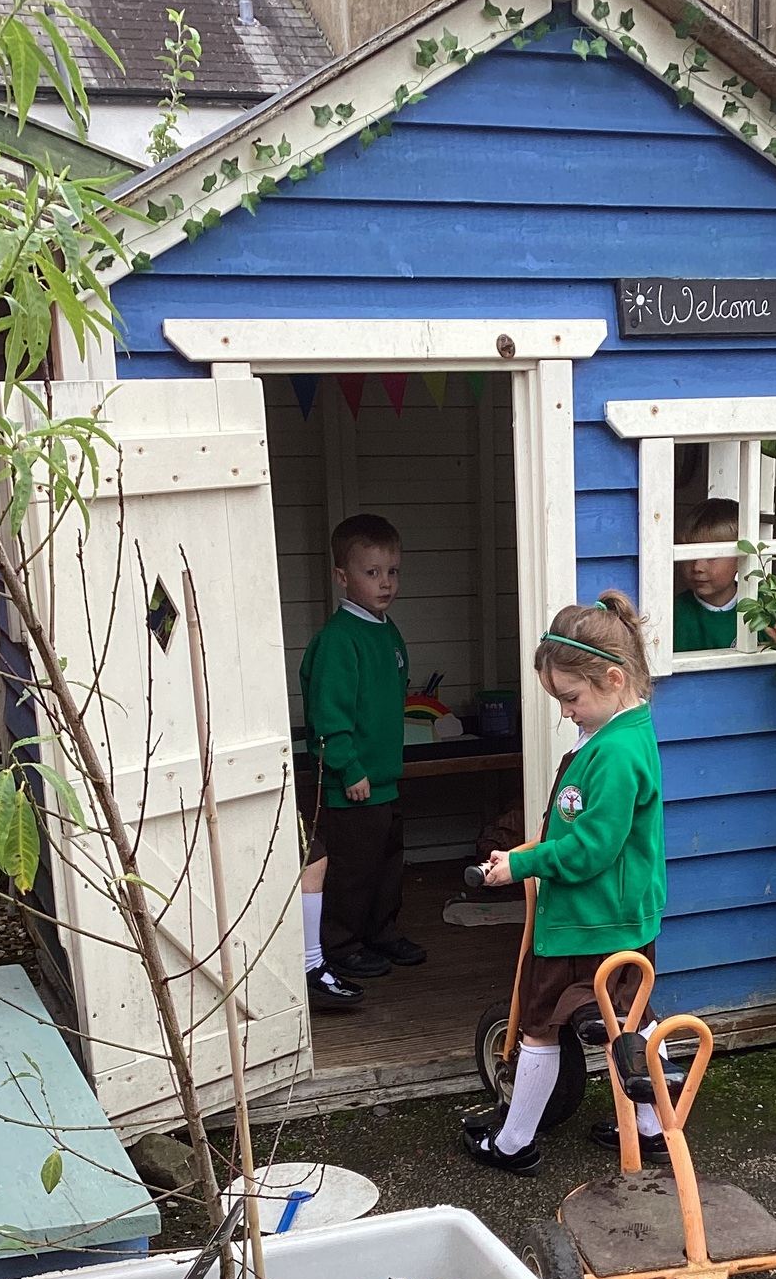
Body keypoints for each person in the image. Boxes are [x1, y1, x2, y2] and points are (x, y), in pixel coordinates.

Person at [463, 592, 667, 1175]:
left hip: (586, 921)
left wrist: (524, 865)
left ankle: (513, 1144)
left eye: (571, 698)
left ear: (613, 678)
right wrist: (531, 850)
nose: (565, 711)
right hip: (619, 917)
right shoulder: (620, 732)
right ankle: (651, 1129)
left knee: (540, 1025)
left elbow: (593, 848)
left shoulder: (615, 752)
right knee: (631, 1020)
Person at [299, 513, 426, 1010]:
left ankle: (380, 932)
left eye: (392, 571)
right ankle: (341, 944)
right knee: (350, 870)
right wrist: (347, 768)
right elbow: (328, 716)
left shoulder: (386, 631)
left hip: (385, 779)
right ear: (342, 576)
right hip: (351, 784)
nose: (385, 582)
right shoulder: (339, 640)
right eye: (371, 573)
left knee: (386, 864)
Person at [672, 497, 741, 653]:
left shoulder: (765, 609)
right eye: (690, 554)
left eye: (711, 556)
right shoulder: (674, 613)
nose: (697, 567)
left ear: (740, 559)